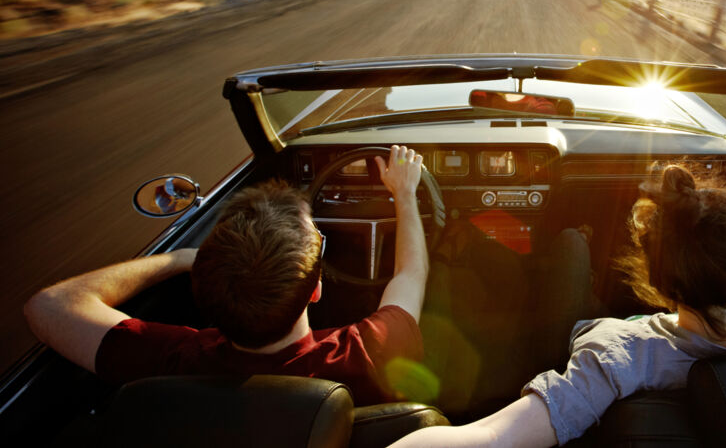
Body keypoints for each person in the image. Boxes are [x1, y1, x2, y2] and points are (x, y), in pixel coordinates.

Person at [389, 164, 726, 446]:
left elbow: (489, 441)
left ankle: (496, 245)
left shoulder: (615, 354)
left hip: (576, 339)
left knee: (567, 248)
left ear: (655, 277)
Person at [24, 145, 429, 406]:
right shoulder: (369, 353)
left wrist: (180, 259)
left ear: (203, 288)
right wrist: (404, 195)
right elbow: (411, 273)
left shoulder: (170, 362)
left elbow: (48, 305)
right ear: (317, 289)